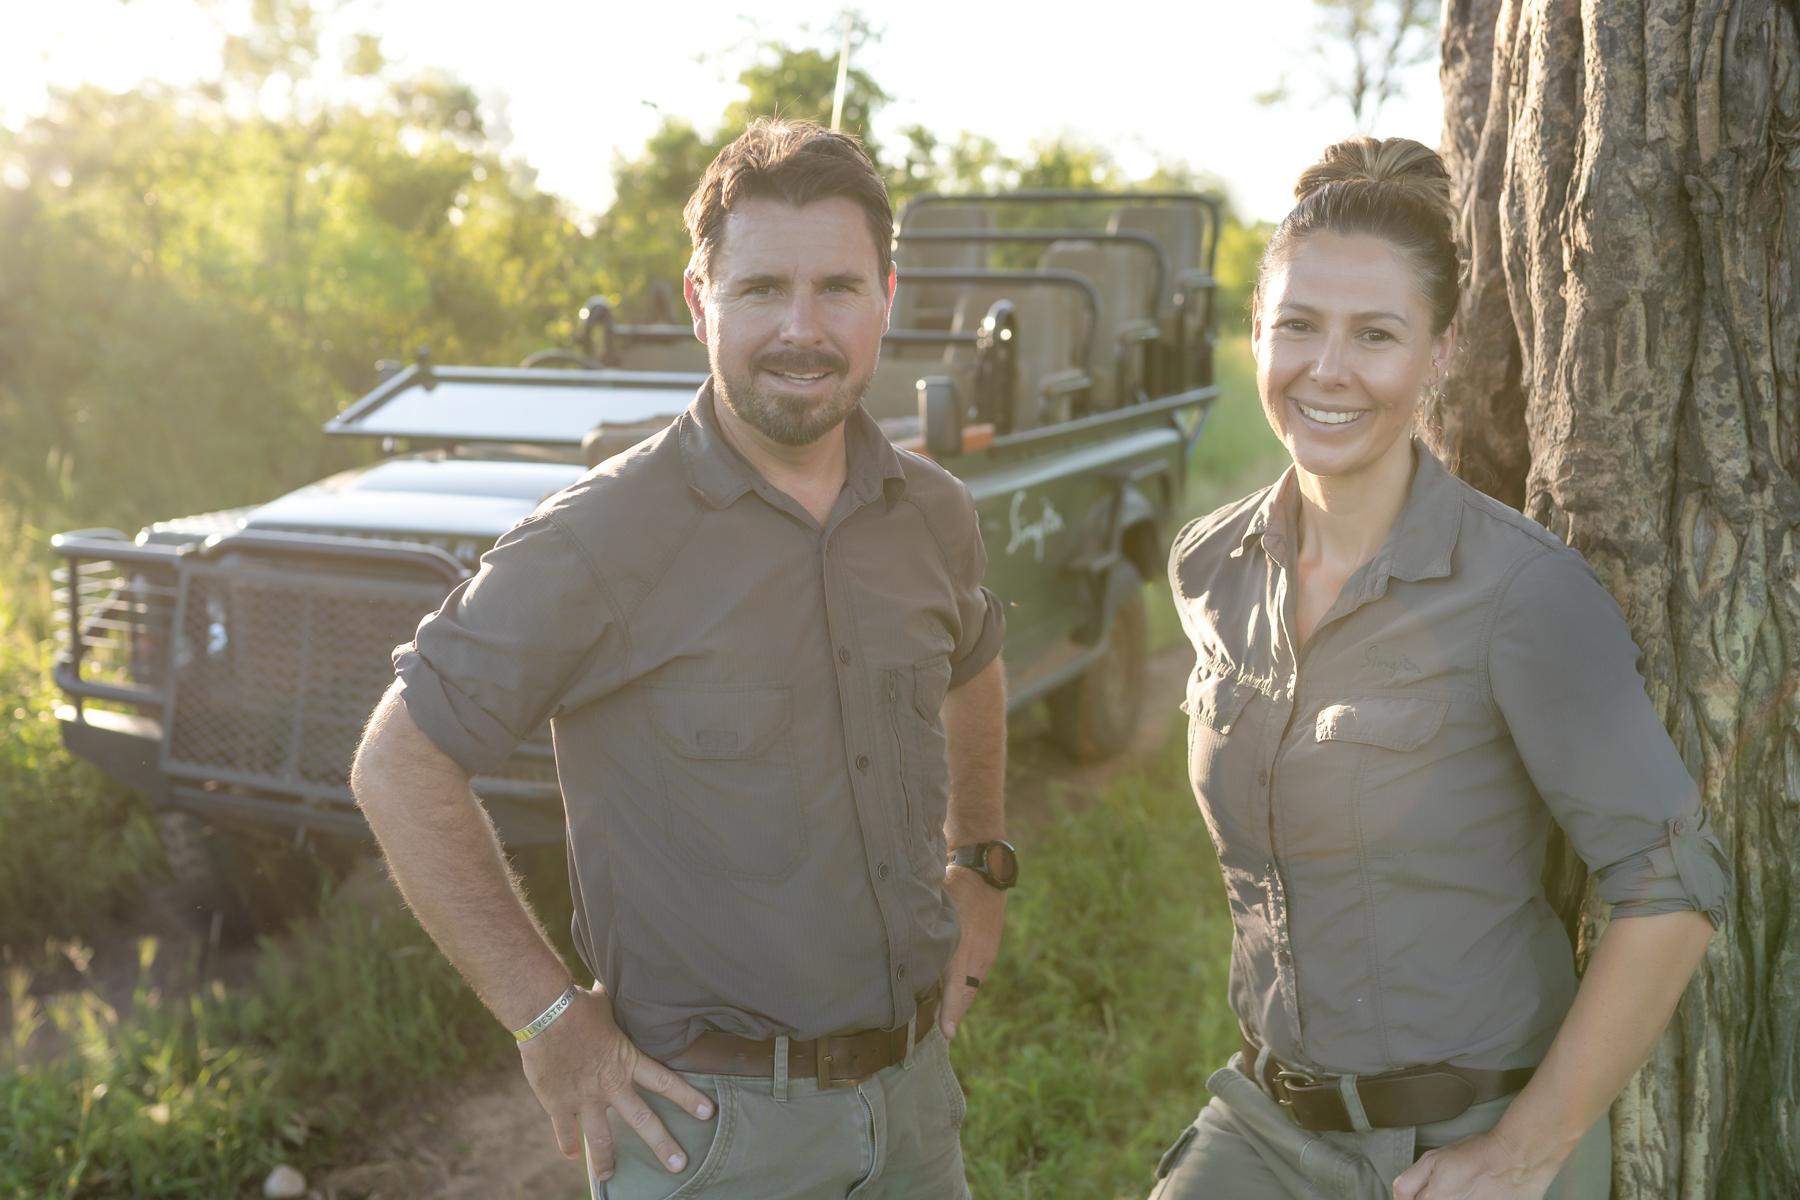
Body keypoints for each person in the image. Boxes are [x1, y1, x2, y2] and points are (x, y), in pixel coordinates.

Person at [351, 119, 1014, 1200]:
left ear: (887, 297)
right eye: (762, 290)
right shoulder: (599, 538)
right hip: (709, 1139)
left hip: (915, 1114)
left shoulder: (932, 514)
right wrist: (547, 1018)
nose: (802, 328)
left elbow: (974, 662)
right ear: (701, 302)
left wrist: (980, 863)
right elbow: (398, 764)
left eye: (838, 288)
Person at [1151, 135, 1729, 1199]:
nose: (1328, 369)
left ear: (1440, 352)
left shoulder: (1523, 593)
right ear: (1257, 329)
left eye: (1376, 334)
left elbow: (1676, 882)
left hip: (1464, 1137)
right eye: (1299, 325)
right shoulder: (1212, 567)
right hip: (1267, 1121)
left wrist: (1525, 1150)